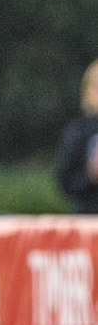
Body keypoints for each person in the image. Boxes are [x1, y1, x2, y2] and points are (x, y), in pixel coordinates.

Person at [54, 59, 98, 213]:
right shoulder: (79, 130)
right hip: (87, 218)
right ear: (88, 90)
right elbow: (65, 183)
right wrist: (90, 176)